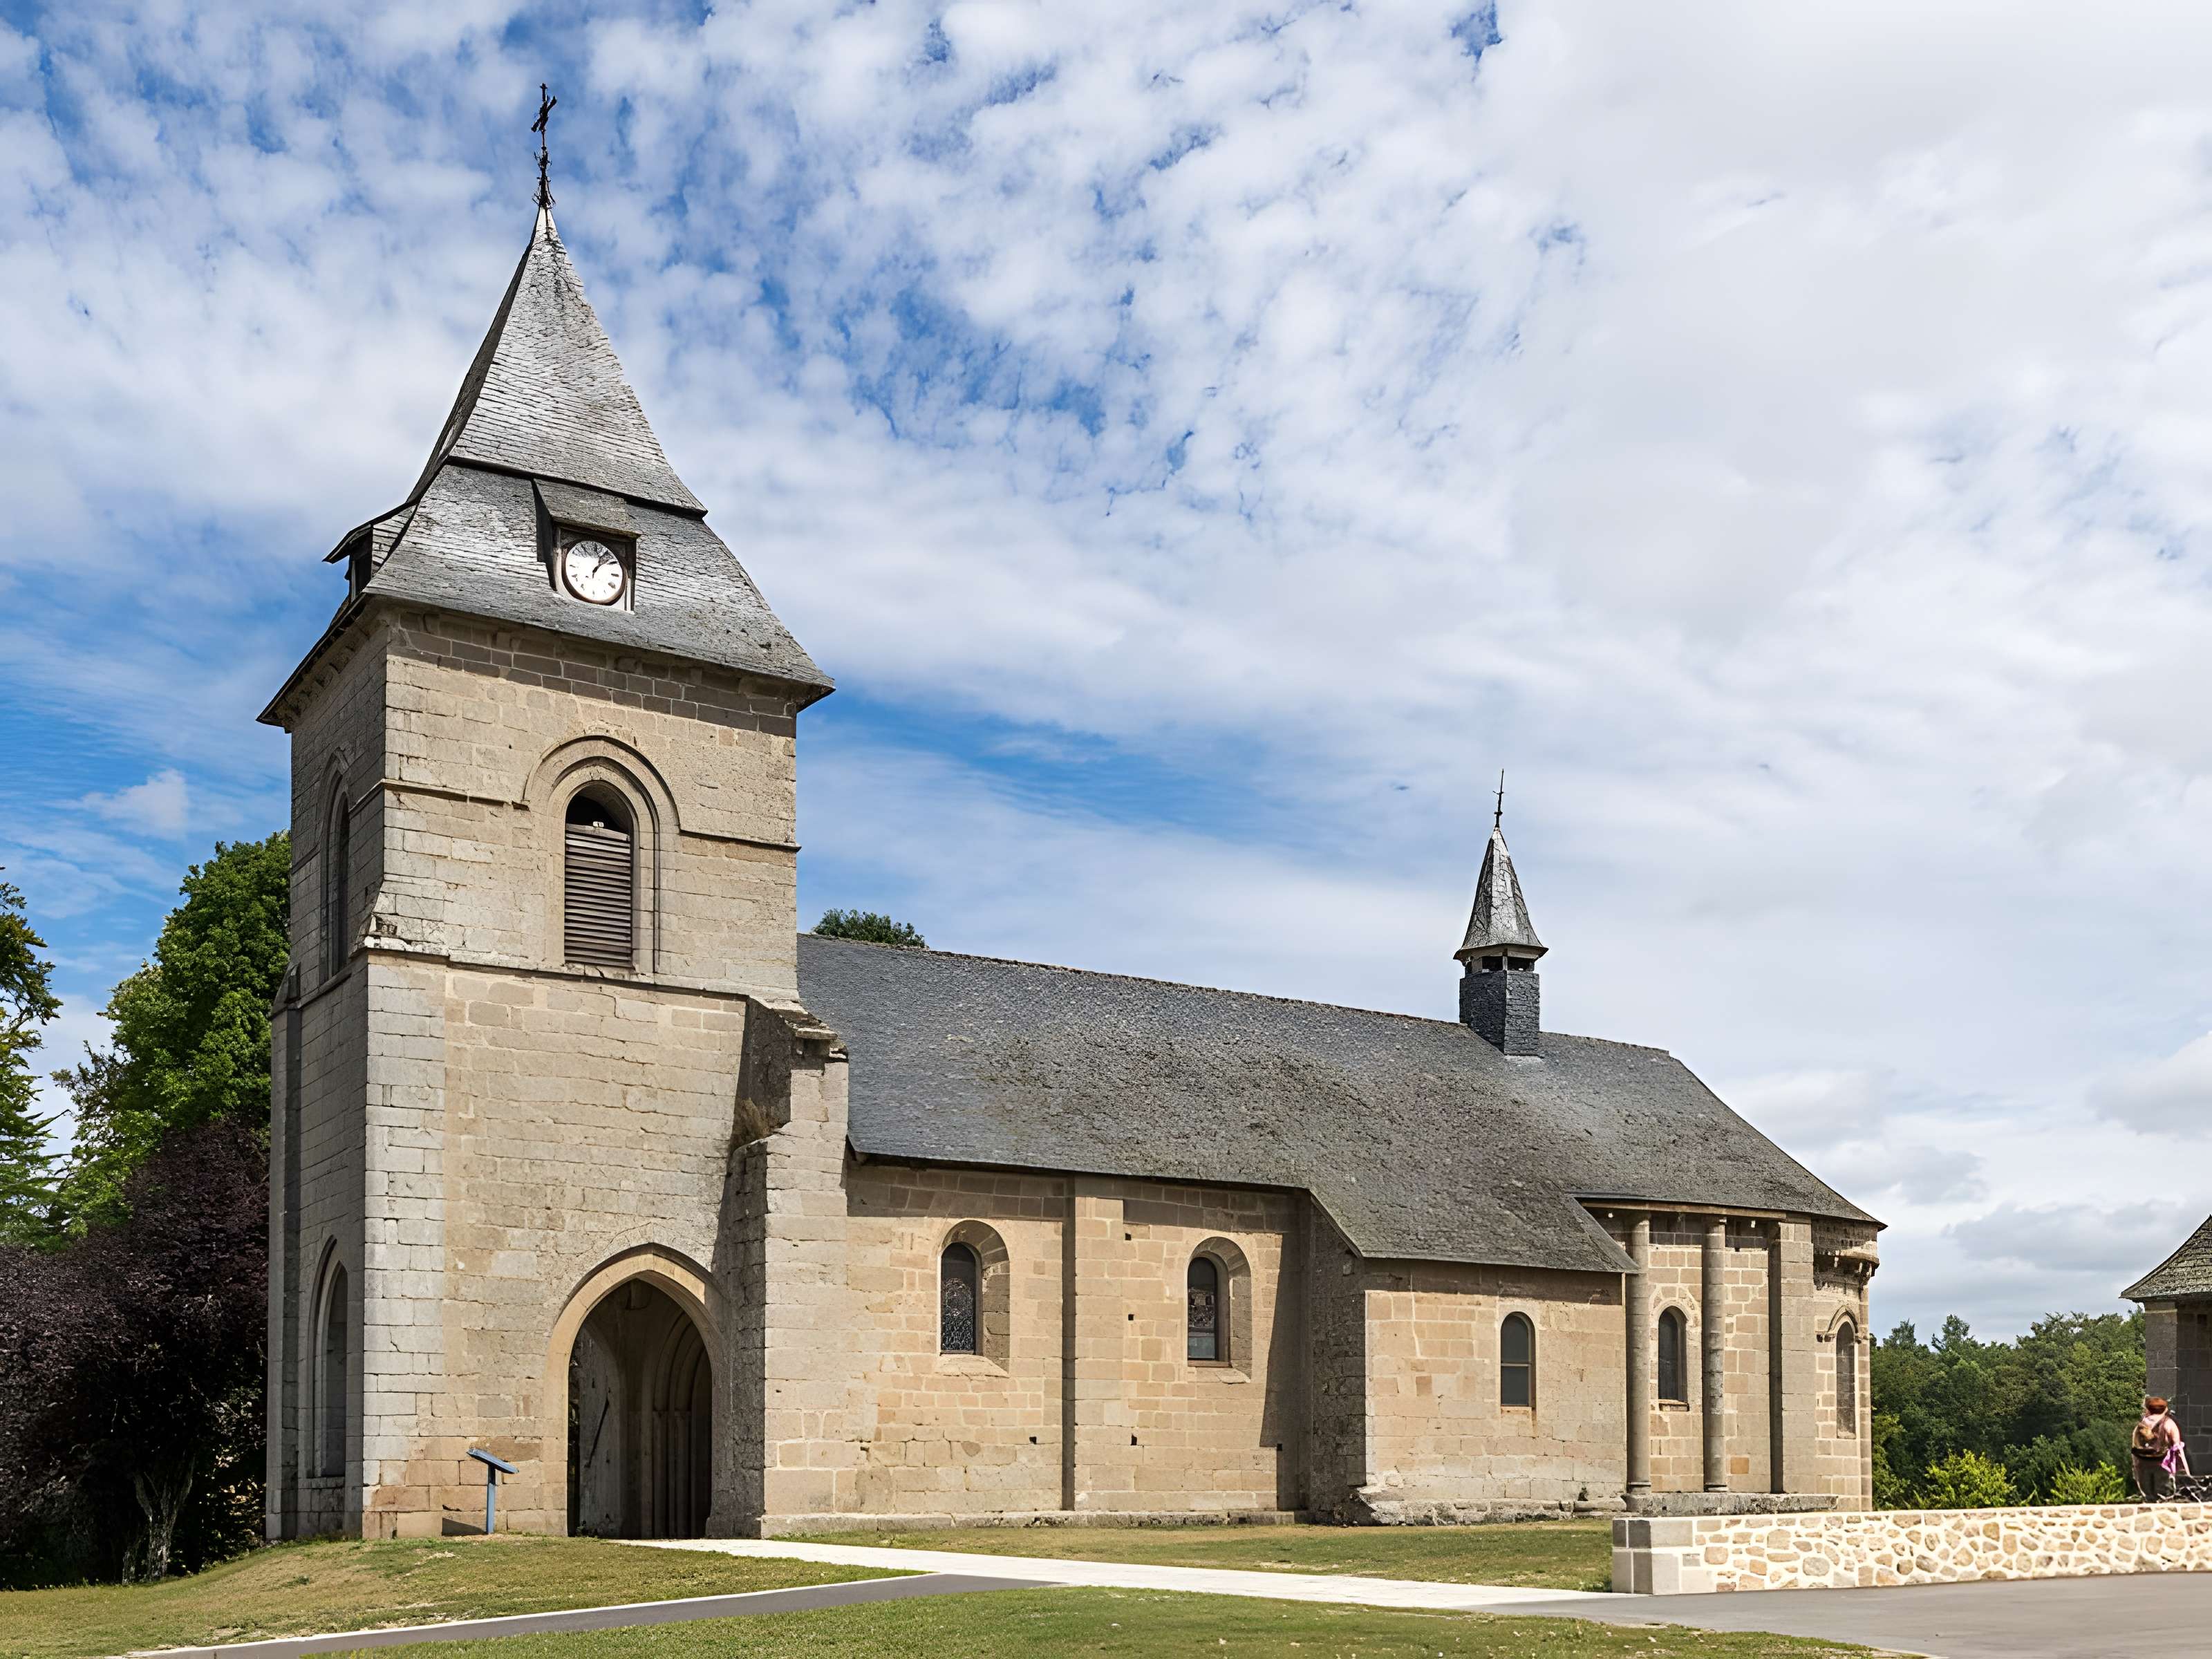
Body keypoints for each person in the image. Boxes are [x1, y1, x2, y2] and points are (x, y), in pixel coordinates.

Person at [2132, 1396, 2187, 1499]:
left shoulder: (2142, 1425)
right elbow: (2178, 1449)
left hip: (2143, 1464)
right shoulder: (2169, 1423)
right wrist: (2186, 1471)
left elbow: (2135, 1447)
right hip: (2162, 1465)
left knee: (2148, 1497)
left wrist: (2136, 1467)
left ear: (2149, 1409)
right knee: (2164, 1497)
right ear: (2165, 1409)